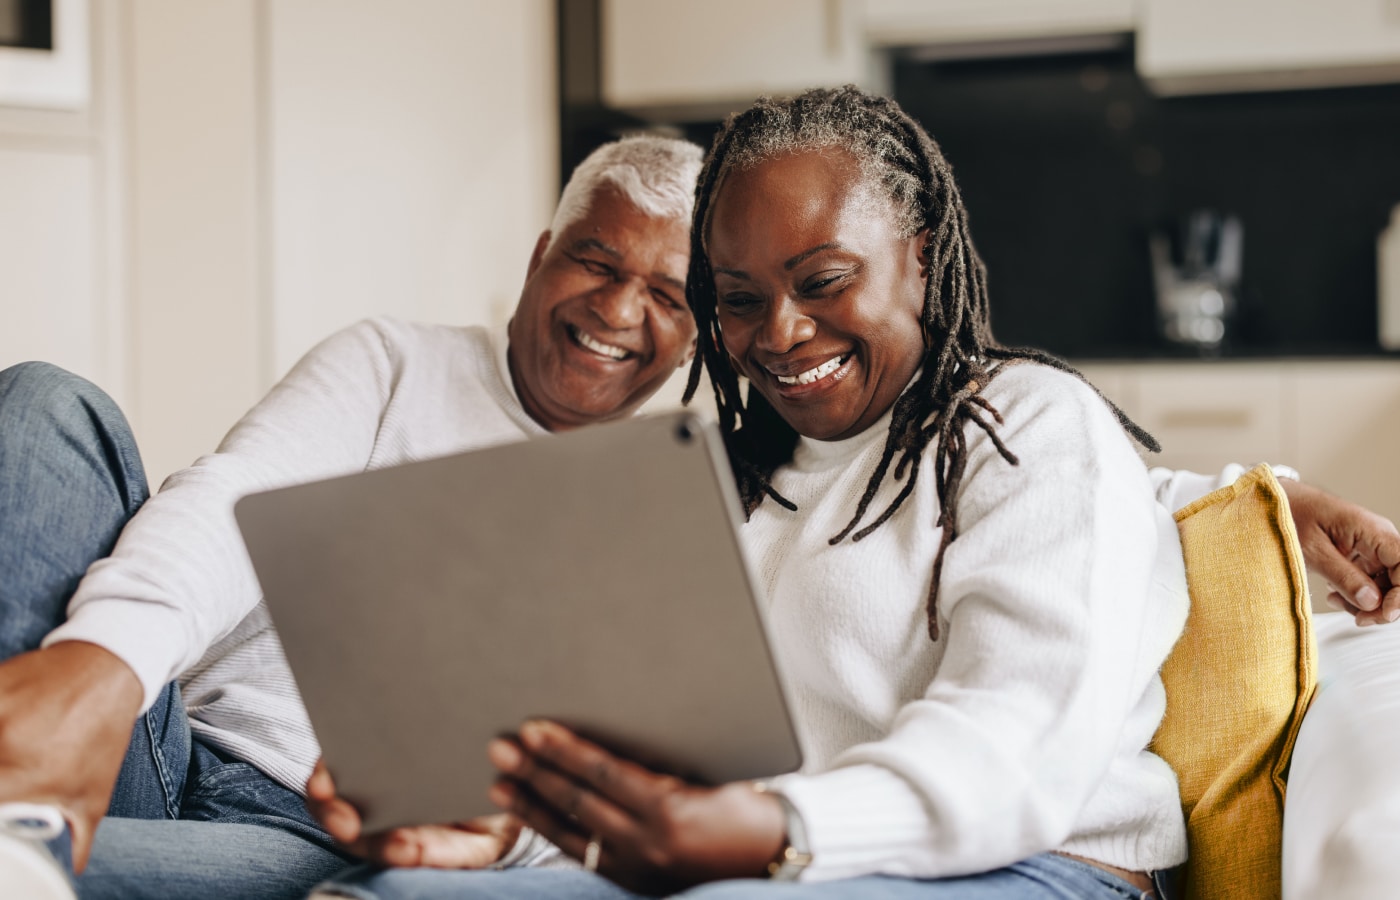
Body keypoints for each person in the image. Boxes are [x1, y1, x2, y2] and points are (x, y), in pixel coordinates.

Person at [301, 85, 1397, 900]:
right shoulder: (722, 477)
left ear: (918, 259)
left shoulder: (1023, 426)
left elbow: (1013, 745)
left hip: (1033, 869)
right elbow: (663, 780)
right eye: (735, 300)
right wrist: (508, 833)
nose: (777, 336)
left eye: (821, 282)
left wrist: (763, 827)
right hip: (788, 865)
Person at [0, 133, 704, 899]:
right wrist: (106, 662)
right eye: (597, 263)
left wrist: (495, 837)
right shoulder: (393, 363)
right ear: (541, 257)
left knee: (33, 871)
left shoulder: (655, 509)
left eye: (667, 296)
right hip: (162, 742)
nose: (618, 308)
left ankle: (22, 830)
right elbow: (236, 497)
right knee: (48, 404)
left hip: (317, 833)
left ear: (693, 336)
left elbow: (604, 793)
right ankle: (27, 788)